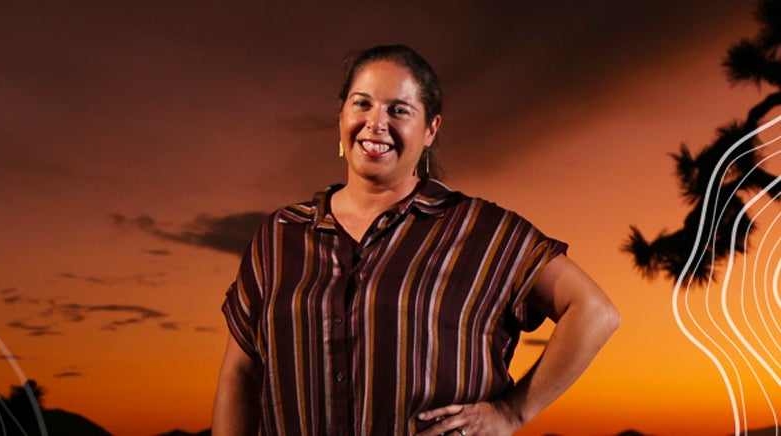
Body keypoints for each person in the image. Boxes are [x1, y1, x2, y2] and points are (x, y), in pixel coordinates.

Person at [212, 44, 620, 436]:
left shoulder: (481, 230)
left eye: (398, 110)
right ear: (341, 115)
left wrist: (511, 412)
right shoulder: (280, 235)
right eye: (362, 103)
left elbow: (595, 312)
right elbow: (242, 372)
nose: (376, 123)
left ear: (430, 130)